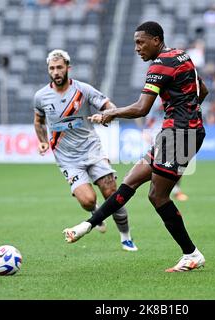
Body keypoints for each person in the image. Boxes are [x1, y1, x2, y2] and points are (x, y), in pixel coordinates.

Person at [62, 21, 209, 272]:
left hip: (180, 134)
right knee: (131, 180)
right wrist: (186, 109)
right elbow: (202, 91)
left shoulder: (160, 64)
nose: (137, 48)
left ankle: (191, 254)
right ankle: (86, 226)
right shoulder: (180, 55)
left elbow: (142, 108)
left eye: (141, 42)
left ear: (156, 40)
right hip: (178, 132)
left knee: (157, 196)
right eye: (134, 43)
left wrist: (111, 114)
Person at [33, 49, 138, 251]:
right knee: (88, 200)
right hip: (67, 158)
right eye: (52, 68)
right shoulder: (41, 97)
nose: (56, 72)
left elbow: (110, 106)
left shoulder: (83, 90)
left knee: (111, 192)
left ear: (67, 68)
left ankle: (125, 236)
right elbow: (38, 120)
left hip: (92, 150)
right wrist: (43, 141)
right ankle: (96, 212)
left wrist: (105, 115)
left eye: (59, 67)